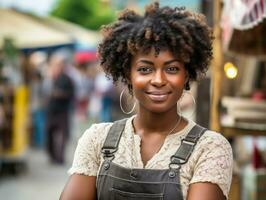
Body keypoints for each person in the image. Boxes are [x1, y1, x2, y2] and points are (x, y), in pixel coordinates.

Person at [60, 2, 233, 200]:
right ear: (128, 74)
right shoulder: (96, 139)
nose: (158, 80)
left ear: (186, 75)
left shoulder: (210, 148)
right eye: (145, 69)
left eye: (172, 69)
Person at [45, 53, 75, 164]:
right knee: (49, 133)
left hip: (62, 110)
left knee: (63, 135)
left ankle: (60, 158)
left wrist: (61, 94)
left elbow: (71, 94)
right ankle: (52, 156)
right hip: (51, 110)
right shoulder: (50, 78)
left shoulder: (67, 79)